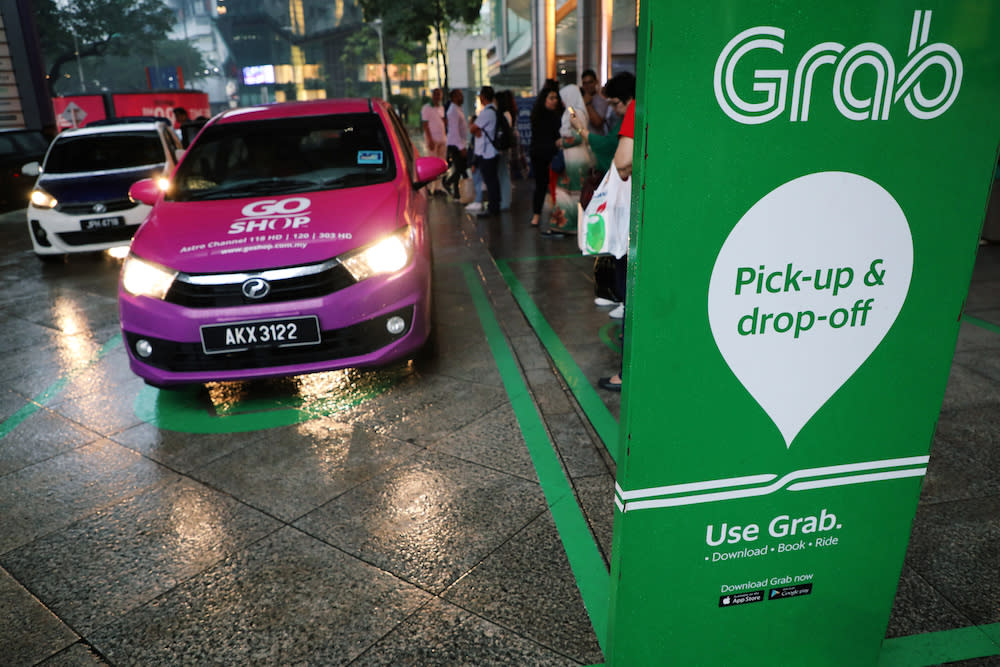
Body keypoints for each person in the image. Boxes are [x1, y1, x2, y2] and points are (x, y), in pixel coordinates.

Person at [570, 72, 636, 313]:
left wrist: (581, 131)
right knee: (617, 243)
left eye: (615, 103)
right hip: (624, 189)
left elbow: (620, 159)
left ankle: (623, 298)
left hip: (625, 189)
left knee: (621, 244)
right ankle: (617, 294)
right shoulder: (630, 112)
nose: (613, 109)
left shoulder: (634, 111)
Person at [597, 96, 636, 393]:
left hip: (640, 217)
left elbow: (623, 163)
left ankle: (627, 373)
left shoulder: (640, 104)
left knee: (633, 296)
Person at [528, 84, 563, 228]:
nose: (554, 101)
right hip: (542, 155)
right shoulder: (538, 116)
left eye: (556, 98)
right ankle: (537, 215)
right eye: (551, 98)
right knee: (541, 185)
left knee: (555, 186)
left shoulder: (558, 115)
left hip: (551, 154)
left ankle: (551, 216)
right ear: (544, 99)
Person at [469, 86, 501, 217]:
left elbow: (473, 128)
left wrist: (475, 129)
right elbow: (476, 129)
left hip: (487, 152)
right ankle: (495, 206)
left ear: (483, 97)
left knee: (490, 181)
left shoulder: (486, 113)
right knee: (493, 180)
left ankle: (493, 208)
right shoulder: (493, 111)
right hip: (491, 151)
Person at [443, 88, 468, 199]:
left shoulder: (458, 109)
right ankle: (451, 186)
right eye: (459, 95)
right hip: (455, 144)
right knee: (460, 168)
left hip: (459, 143)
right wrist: (461, 147)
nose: (461, 97)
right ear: (453, 97)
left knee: (461, 168)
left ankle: (458, 191)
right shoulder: (453, 111)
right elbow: (454, 131)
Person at [421, 88, 447, 194]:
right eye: (436, 95)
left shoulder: (441, 108)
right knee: (432, 164)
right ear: (432, 96)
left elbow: (442, 120)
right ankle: (429, 186)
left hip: (442, 139)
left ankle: (438, 187)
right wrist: (429, 139)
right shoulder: (426, 108)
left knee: (441, 164)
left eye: (439, 95)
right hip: (432, 139)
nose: (437, 97)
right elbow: (425, 125)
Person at [495, 90, 517, 211]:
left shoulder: (504, 114)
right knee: (504, 173)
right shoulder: (509, 113)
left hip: (503, 147)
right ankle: (505, 200)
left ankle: (505, 201)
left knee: (503, 173)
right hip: (505, 147)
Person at [580, 69, 610, 135]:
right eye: (585, 83)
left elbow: (597, 123)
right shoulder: (579, 99)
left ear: (596, 82)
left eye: (590, 82)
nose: (587, 86)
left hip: (596, 140)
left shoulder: (602, 101)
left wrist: (588, 104)